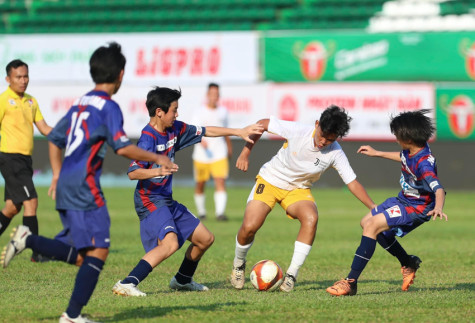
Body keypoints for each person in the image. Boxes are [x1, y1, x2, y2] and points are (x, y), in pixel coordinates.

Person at [0, 43, 178, 323]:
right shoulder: (108, 107)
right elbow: (121, 147)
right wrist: (158, 158)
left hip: (67, 185)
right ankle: (70, 314)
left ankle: (30, 242)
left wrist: (57, 174)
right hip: (85, 186)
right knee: (99, 251)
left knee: (87, 256)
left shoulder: (81, 101)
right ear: (120, 75)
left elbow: (56, 139)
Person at [111, 86, 263, 297]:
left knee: (205, 239)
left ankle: (182, 280)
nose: (177, 114)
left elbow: (206, 130)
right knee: (171, 243)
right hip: (150, 200)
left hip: (166, 199)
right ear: (159, 112)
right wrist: (158, 169)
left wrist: (238, 131)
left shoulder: (175, 129)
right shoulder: (147, 139)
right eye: (174, 110)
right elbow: (133, 173)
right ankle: (127, 282)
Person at [230, 105, 376, 293]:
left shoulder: (335, 153)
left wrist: (373, 207)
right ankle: (238, 264)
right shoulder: (298, 131)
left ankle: (291, 275)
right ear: (317, 124)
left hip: (298, 190)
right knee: (250, 226)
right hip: (270, 180)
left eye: (330, 139)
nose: (324, 142)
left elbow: (353, 183)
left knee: (311, 218)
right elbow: (262, 124)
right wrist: (245, 152)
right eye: (322, 135)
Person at [326, 109, 447, 296]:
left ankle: (350, 282)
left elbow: (438, 188)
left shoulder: (424, 164)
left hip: (416, 208)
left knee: (372, 226)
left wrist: (438, 207)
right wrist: (377, 153)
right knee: (366, 222)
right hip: (404, 200)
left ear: (407, 138)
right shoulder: (413, 149)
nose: (395, 137)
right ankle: (408, 262)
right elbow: (404, 158)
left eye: (397, 134)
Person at [0, 59, 52, 262]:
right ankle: (37, 252)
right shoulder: (4, 100)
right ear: (8, 79)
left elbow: (44, 128)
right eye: (18, 77)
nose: (23, 81)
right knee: (31, 201)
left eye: (25, 76)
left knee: (13, 207)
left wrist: (66, 136)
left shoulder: (31, 101)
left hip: (24, 160)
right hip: (9, 158)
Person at [191, 83, 232, 221]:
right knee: (200, 183)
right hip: (201, 155)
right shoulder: (199, 112)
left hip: (219, 153)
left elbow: (226, 131)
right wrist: (201, 140)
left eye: (217, 94)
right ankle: (201, 212)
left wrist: (229, 148)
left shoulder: (223, 112)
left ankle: (220, 213)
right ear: (207, 95)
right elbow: (194, 131)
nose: (214, 97)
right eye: (212, 94)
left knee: (220, 181)